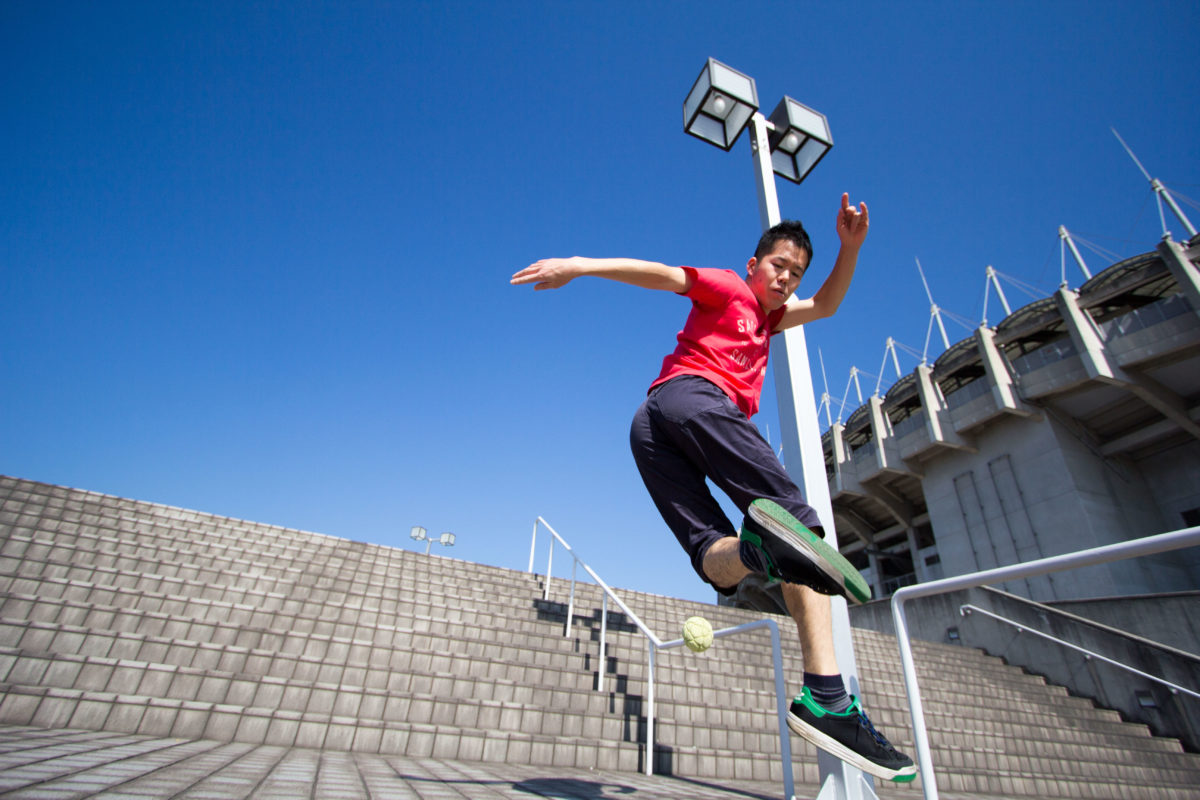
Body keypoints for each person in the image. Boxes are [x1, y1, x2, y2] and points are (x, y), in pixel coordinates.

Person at [511, 193, 916, 783]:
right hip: (691, 397)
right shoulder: (729, 287)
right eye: (778, 266)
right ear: (752, 265)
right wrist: (581, 264)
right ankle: (827, 699)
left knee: (714, 556)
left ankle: (756, 550)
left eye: (794, 274)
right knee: (800, 520)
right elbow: (663, 275)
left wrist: (850, 249)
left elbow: (826, 305)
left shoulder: (774, 319)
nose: (785, 279)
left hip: (650, 428)